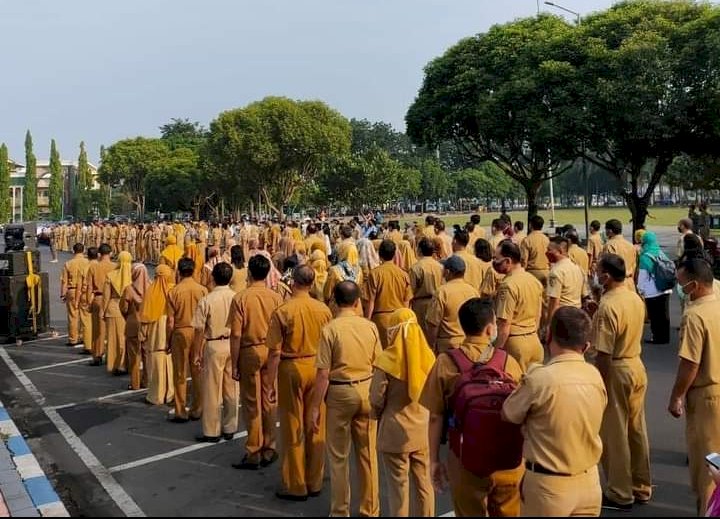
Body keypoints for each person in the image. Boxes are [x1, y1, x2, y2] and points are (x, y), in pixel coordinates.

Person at [420, 298, 524, 517]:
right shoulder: (507, 361)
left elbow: (435, 417)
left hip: (466, 459)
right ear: (490, 328)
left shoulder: (446, 362)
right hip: (508, 460)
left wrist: (434, 460)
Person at [502, 307, 607, 516]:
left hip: (548, 486)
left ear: (549, 335)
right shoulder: (595, 376)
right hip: (589, 482)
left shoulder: (540, 379)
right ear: (585, 346)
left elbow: (508, 413)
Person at [310, 281, 381, 517]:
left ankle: (340, 511)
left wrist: (315, 406)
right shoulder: (369, 327)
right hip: (367, 388)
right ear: (358, 302)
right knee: (368, 454)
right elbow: (379, 363)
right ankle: (370, 509)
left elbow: (322, 373)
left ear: (334, 301)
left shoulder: (330, 329)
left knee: (339, 457)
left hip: (340, 392)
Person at [266, 266, 333, 501]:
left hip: (291, 367)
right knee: (316, 423)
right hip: (317, 367)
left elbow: (274, 352)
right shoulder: (323, 310)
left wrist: (269, 382)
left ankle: (296, 483)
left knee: (292, 424)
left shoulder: (283, 310)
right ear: (312, 283)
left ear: (293, 282)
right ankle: (315, 480)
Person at [591, 254, 651, 510]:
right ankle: (641, 485)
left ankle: (619, 490)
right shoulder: (632, 297)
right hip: (635, 363)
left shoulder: (608, 306)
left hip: (617, 368)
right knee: (636, 430)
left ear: (606, 276)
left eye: (598, 271)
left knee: (615, 434)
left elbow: (604, 353)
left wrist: (600, 385)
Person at [370, 308, 435, 517]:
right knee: (424, 484)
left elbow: (376, 398)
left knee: (398, 488)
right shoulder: (428, 357)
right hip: (423, 430)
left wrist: (376, 413)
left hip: (395, 431)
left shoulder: (387, 360)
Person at [668, 259, 720, 515]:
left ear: (695, 285)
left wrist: (676, 396)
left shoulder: (695, 315)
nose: (680, 288)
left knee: (709, 468)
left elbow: (690, 364)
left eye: (681, 284)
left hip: (707, 395)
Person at [227, 255, 284, 469]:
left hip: (250, 351)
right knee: (270, 400)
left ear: (249, 273)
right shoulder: (276, 297)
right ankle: (270, 447)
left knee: (252, 403)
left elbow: (235, 334)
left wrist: (234, 363)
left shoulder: (241, 298)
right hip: (271, 350)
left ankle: (253, 450)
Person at [191, 262, 239, 442]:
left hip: (214, 344)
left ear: (213, 278)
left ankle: (212, 430)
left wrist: (196, 352)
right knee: (232, 387)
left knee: (212, 389)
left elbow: (199, 330)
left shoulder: (207, 300)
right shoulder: (236, 297)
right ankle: (230, 426)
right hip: (232, 344)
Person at [166, 258, 208, 422]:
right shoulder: (202, 290)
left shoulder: (174, 292)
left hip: (181, 331)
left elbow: (170, 321)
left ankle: (180, 410)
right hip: (199, 331)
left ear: (179, 271)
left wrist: (167, 340)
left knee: (180, 372)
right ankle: (198, 408)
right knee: (197, 370)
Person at [493, 240, 544, 372]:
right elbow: (538, 316)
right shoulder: (534, 281)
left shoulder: (508, 285)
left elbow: (504, 325)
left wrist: (495, 353)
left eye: (497, 260)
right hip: (534, 340)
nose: (495, 263)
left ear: (508, 261)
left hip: (515, 344)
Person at [363, 240, 413, 348]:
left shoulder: (374, 274)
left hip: (380, 321)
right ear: (394, 255)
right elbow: (406, 302)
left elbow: (370, 301)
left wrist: (367, 321)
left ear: (379, 255)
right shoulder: (403, 274)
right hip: (399, 320)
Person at [425, 256, 480, 353]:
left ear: (447, 272)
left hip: (447, 346)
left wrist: (431, 345)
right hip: (469, 344)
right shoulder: (473, 291)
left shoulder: (442, 292)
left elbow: (433, 324)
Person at [141, 264, 176, 406]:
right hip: (169, 327)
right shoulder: (173, 290)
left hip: (155, 330)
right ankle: (170, 394)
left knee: (155, 364)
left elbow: (145, 316)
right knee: (170, 362)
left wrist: (142, 335)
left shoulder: (150, 291)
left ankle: (156, 395)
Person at [545, 236, 589, 341]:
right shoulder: (577, 268)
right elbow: (584, 294)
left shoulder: (556, 272)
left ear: (559, 251)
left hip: (562, 317)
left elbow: (554, 301)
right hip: (577, 313)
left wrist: (549, 326)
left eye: (549, 250)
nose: (547, 252)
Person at [637, 231, 672, 344]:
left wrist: (640, 289)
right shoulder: (661, 253)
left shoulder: (645, 257)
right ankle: (665, 337)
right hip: (666, 288)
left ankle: (656, 337)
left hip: (652, 291)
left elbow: (642, 276)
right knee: (664, 314)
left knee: (654, 315)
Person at [86, 244, 117, 366]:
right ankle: (113, 356)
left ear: (99, 254)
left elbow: (89, 287)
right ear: (110, 253)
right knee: (113, 331)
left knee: (98, 330)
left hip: (99, 298)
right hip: (113, 300)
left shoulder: (94, 267)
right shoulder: (116, 266)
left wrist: (89, 302)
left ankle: (97, 355)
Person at [120, 263, 149, 391]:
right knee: (146, 355)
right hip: (147, 325)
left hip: (132, 323)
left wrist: (128, 316)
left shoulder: (129, 289)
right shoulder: (152, 287)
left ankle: (135, 382)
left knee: (134, 356)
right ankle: (147, 381)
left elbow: (123, 308)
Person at [103, 251, 132, 375]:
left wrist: (103, 311)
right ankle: (126, 363)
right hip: (130, 309)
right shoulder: (133, 275)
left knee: (114, 339)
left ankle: (115, 364)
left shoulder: (111, 275)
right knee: (127, 339)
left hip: (114, 308)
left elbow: (106, 297)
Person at [409, 238, 443, 338]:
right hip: (437, 303)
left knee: (422, 335)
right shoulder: (440, 266)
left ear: (419, 250)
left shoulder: (416, 268)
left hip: (420, 305)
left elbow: (410, 290)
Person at [61, 243, 89, 347]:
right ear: (83, 250)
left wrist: (63, 294)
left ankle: (73, 339)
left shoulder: (68, 263)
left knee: (73, 315)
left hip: (72, 290)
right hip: (85, 291)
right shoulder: (88, 262)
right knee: (85, 316)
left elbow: (64, 281)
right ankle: (84, 337)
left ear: (74, 251)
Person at [602, 219, 637, 292]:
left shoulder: (609, 245)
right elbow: (634, 266)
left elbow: (606, 267)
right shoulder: (631, 246)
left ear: (610, 231)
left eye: (606, 229)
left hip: (616, 284)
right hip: (630, 283)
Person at [76, 246, 98, 356]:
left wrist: (76, 300)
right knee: (100, 323)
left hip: (86, 295)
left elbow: (79, 286)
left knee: (86, 322)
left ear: (87, 255)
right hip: (99, 296)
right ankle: (100, 345)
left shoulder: (85, 268)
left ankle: (88, 346)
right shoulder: (101, 266)